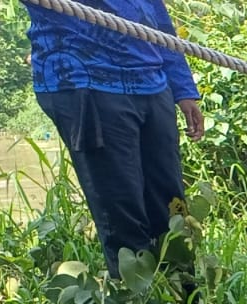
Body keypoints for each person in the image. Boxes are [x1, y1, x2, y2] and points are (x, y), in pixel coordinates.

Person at [24, 0, 204, 275]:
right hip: (86, 81)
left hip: (151, 82)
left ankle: (185, 302)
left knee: (172, 206)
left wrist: (183, 88)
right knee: (121, 209)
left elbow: (157, 18)